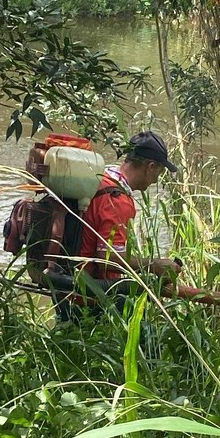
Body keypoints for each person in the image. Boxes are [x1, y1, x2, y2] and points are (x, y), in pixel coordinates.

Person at [73, 130, 180, 312]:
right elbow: (107, 258)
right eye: (160, 171)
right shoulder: (118, 201)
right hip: (89, 297)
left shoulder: (101, 178)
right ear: (151, 166)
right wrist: (154, 265)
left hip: (68, 284)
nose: (156, 180)